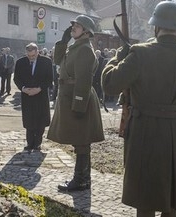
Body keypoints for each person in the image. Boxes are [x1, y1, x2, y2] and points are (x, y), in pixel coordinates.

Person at [102, 2, 176, 216]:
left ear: (156, 26)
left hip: (146, 130)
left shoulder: (141, 53)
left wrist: (119, 57)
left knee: (145, 198)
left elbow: (109, 84)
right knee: (172, 196)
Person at [47, 15, 104, 192]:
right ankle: (83, 179)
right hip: (69, 96)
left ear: (86, 32)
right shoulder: (75, 47)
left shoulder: (85, 49)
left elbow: (84, 80)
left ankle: (80, 180)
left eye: (77, 26)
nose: (73, 28)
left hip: (78, 97)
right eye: (73, 25)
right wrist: (63, 41)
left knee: (81, 141)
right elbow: (57, 61)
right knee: (80, 140)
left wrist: (79, 104)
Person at [14, 43, 53, 151]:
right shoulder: (20, 62)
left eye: (33, 56)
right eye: (29, 56)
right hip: (27, 95)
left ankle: (37, 143)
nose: (31, 58)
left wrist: (39, 88)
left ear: (37, 52)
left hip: (41, 95)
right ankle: (29, 143)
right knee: (29, 120)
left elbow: (49, 79)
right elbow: (16, 78)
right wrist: (23, 88)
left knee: (40, 121)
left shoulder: (46, 62)